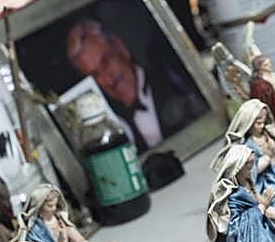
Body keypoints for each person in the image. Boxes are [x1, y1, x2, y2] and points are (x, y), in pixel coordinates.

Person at [65, 18, 205, 154]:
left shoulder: (174, 75)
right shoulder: (110, 126)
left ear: (120, 47)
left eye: (105, 61)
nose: (108, 79)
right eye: (95, 74)